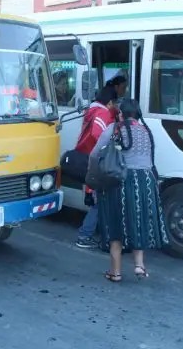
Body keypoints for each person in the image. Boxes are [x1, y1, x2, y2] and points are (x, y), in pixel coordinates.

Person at [93, 98, 168, 282]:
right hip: (145, 183)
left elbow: (95, 154)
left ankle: (115, 272)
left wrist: (92, 176)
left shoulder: (115, 129)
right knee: (138, 221)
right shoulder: (146, 131)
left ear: (120, 113)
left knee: (116, 225)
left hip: (120, 182)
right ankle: (139, 266)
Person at [74, 86, 119, 249]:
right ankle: (85, 235)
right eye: (115, 102)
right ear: (109, 102)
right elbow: (97, 134)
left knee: (97, 198)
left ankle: (92, 234)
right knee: (98, 199)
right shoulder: (102, 113)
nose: (116, 106)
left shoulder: (92, 110)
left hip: (88, 157)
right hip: (94, 159)